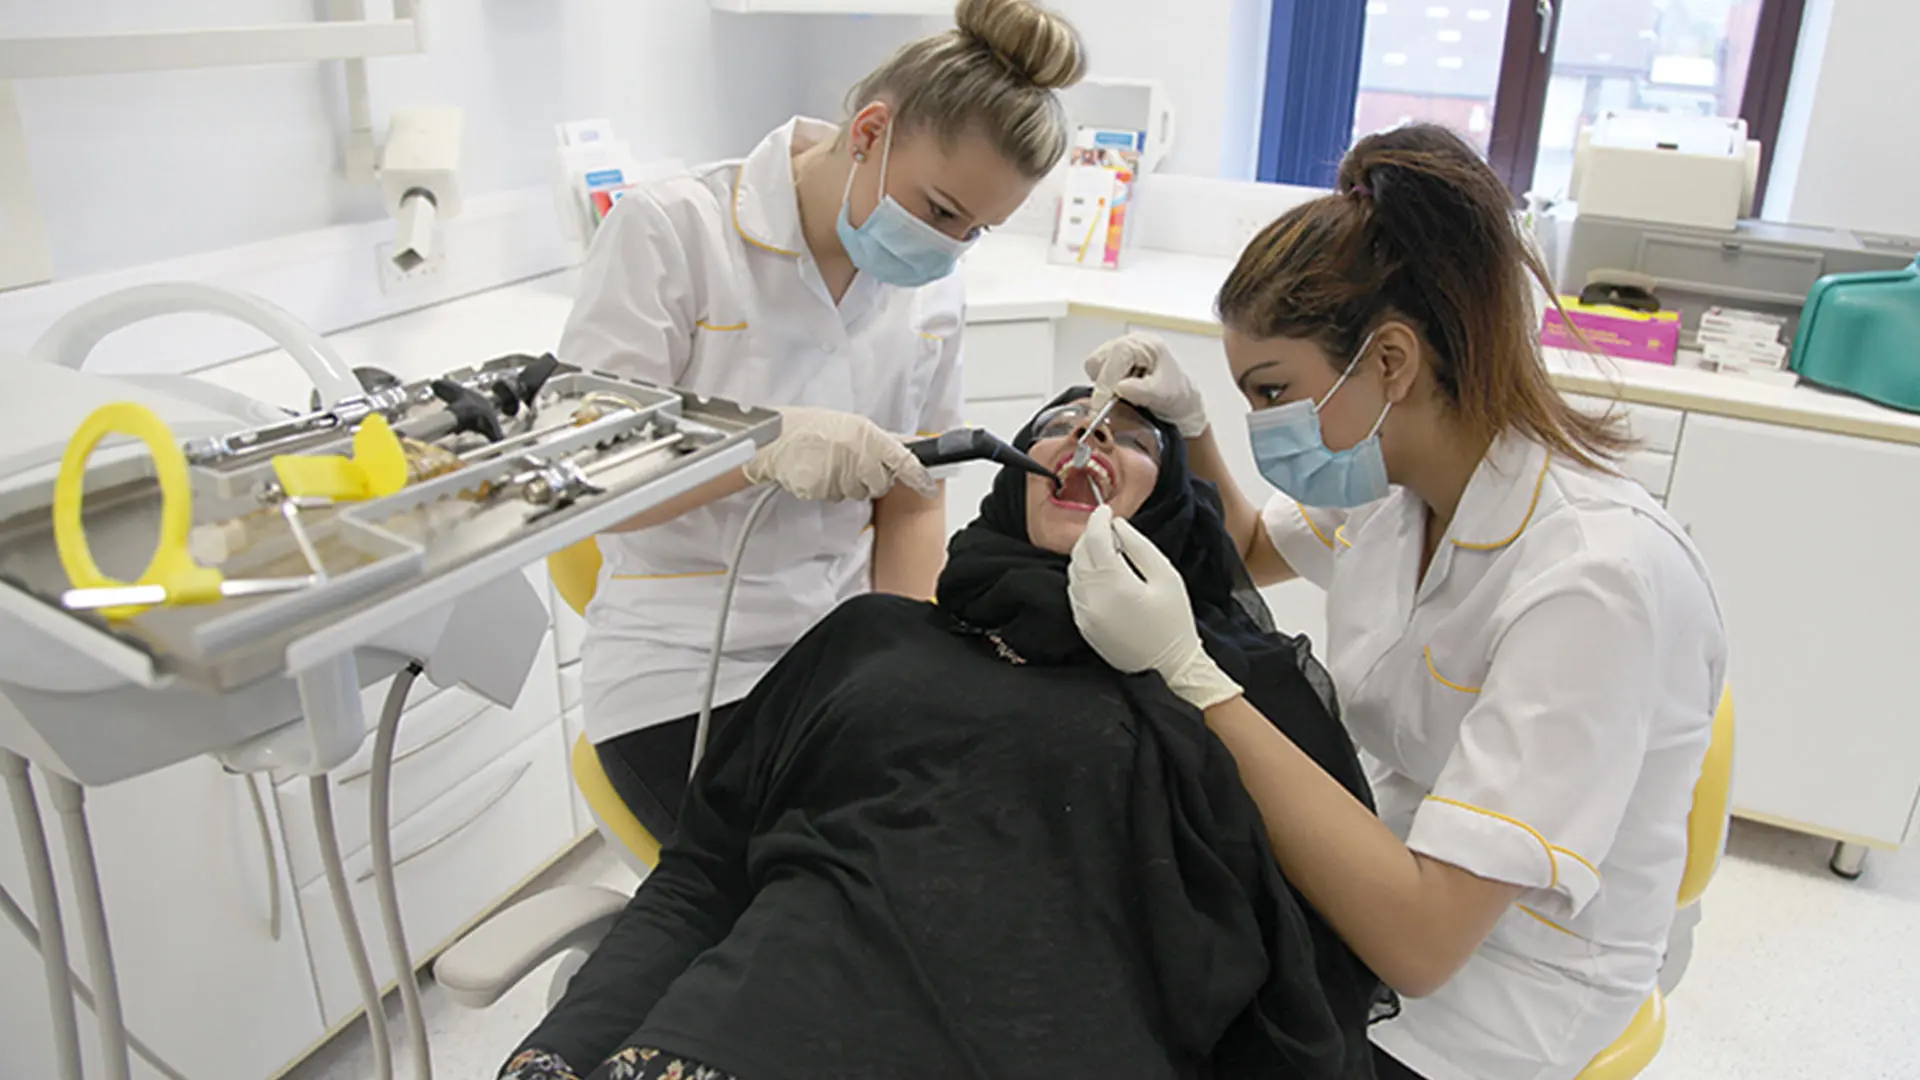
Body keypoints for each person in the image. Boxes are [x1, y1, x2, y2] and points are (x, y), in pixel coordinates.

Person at [1069, 124, 1727, 1080]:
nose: (1266, 426)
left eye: (1273, 392)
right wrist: (1190, 426)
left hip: (1494, 991)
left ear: (1390, 362)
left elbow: (1423, 945)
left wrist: (1194, 680)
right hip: (1390, 883)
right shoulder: (1403, 483)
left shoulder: (1592, 582)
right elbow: (1249, 549)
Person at [500, 390, 1385, 1080]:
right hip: (736, 1039)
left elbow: (1288, 984)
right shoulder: (872, 637)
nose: (1091, 439)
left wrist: (1183, 671)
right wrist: (556, 1052)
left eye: (1136, 440)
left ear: (1174, 511)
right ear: (1013, 472)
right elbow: (700, 877)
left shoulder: (1223, 695)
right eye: (1063, 423)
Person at [562, 0, 1088, 839]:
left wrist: (906, 661)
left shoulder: (930, 285)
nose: (950, 247)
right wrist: (757, 449)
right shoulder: (673, 232)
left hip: (842, 651)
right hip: (685, 668)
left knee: (988, 842)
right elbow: (591, 486)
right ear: (871, 131)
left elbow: (913, 498)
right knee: (828, 896)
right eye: (943, 210)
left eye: (978, 231)